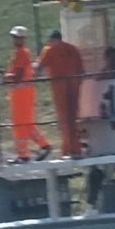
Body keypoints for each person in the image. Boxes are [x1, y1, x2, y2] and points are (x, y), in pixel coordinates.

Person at [35, 29, 86, 159]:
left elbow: (39, 67)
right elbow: (82, 70)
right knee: (73, 118)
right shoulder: (73, 49)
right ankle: (75, 149)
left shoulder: (50, 49)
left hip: (59, 86)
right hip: (74, 85)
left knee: (64, 119)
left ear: (52, 39)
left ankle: (69, 150)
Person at [3, 25, 51, 163]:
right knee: (26, 122)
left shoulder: (21, 53)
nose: (15, 40)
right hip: (22, 91)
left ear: (23, 38)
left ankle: (23, 155)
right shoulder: (20, 53)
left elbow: (18, 75)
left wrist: (7, 77)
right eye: (14, 37)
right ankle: (44, 145)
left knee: (20, 124)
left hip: (21, 92)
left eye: (17, 37)